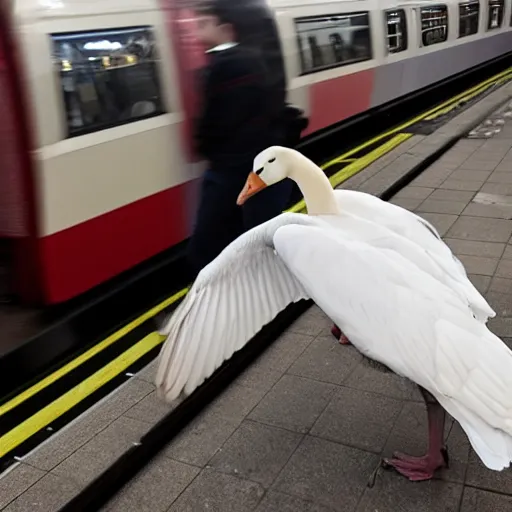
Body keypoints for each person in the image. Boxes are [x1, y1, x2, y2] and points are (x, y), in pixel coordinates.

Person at [186, 1, 306, 275]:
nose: (196, 33)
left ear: (227, 29)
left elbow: (222, 122)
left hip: (237, 168)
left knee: (212, 243)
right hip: (260, 165)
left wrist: (204, 144)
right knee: (254, 234)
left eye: (203, 24)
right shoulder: (258, 60)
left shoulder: (231, 65)